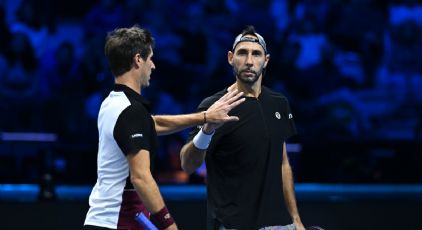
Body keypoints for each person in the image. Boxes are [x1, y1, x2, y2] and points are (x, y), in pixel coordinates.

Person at [83, 25, 245, 230]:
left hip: (109, 220)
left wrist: (205, 117)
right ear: (138, 59)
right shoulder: (130, 111)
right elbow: (140, 177)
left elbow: (153, 123)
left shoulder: (112, 104)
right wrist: (169, 225)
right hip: (116, 222)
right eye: (150, 58)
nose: (153, 65)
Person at [180, 25, 305, 230]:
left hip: (279, 225)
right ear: (231, 58)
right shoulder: (214, 105)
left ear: (266, 61)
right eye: (242, 53)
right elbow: (187, 164)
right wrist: (207, 129)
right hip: (231, 225)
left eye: (256, 54)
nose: (249, 61)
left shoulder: (279, 102)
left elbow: (282, 162)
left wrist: (296, 220)